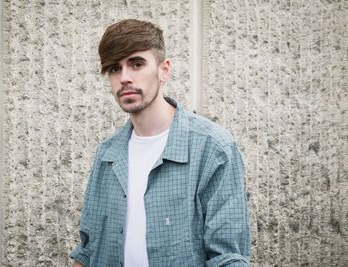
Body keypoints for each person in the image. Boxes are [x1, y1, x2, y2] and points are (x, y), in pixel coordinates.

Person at [71, 19, 250, 267]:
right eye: (114, 68)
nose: (124, 78)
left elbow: (228, 258)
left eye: (136, 64)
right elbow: (88, 251)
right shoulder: (107, 154)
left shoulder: (213, 149)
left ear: (163, 70)